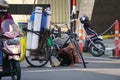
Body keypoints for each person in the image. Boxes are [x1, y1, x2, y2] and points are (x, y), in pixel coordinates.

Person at [0, 0, 22, 71]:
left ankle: (13, 62)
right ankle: (0, 65)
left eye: (5, 8)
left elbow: (14, 25)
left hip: (6, 37)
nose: (4, 10)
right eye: (2, 8)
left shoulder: (9, 16)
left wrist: (18, 32)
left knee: (15, 44)